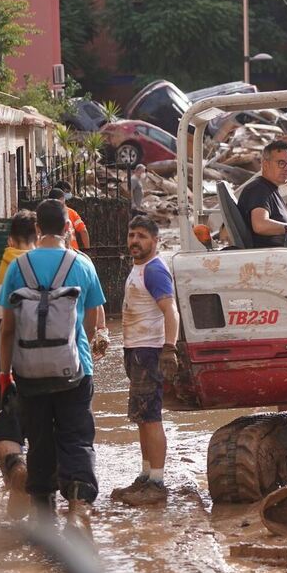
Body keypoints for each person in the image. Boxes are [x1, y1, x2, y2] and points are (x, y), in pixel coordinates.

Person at [0, 198, 106, 535]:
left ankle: (43, 519)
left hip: (29, 373)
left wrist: (5, 373)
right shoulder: (82, 264)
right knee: (76, 438)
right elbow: (91, 321)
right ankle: (77, 508)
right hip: (75, 369)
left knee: (40, 439)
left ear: (38, 229)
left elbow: (7, 330)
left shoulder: (19, 267)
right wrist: (78, 348)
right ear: (68, 228)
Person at [111, 215, 179, 507]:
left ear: (155, 241)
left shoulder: (154, 270)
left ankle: (158, 482)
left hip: (150, 351)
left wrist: (169, 348)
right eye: (131, 235)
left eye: (141, 236)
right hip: (136, 350)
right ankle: (145, 475)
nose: (135, 241)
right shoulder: (139, 268)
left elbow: (171, 311)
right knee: (141, 416)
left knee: (151, 417)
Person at [0, 210, 37, 519]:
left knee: (3, 420)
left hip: (1, 357)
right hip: (48, 359)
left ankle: (15, 469)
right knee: (41, 422)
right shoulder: (48, 264)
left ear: (8, 237)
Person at [48, 186, 90, 250]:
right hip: (72, 252)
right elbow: (83, 231)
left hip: (52, 252)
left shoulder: (45, 214)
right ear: (62, 199)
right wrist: (87, 249)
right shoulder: (71, 212)